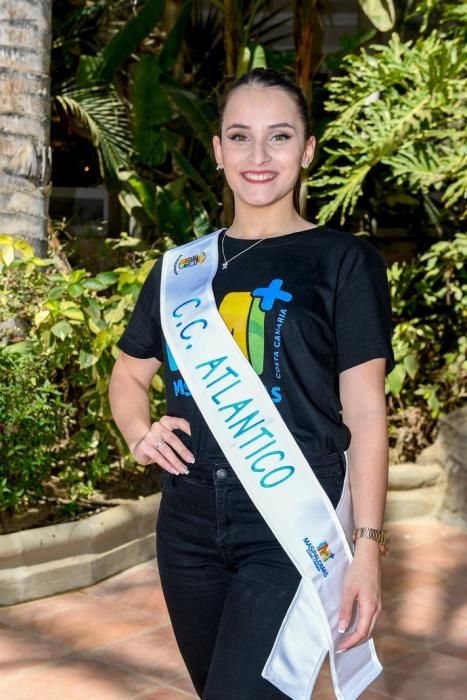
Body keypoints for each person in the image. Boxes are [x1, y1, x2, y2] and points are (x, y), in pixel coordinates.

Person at [109, 67, 395, 699]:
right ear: (217, 151)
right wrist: (138, 431)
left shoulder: (344, 262)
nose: (258, 156)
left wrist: (368, 547)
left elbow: (367, 414)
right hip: (186, 523)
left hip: (289, 519)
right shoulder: (179, 269)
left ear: (308, 150)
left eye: (280, 136)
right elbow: (130, 373)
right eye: (240, 137)